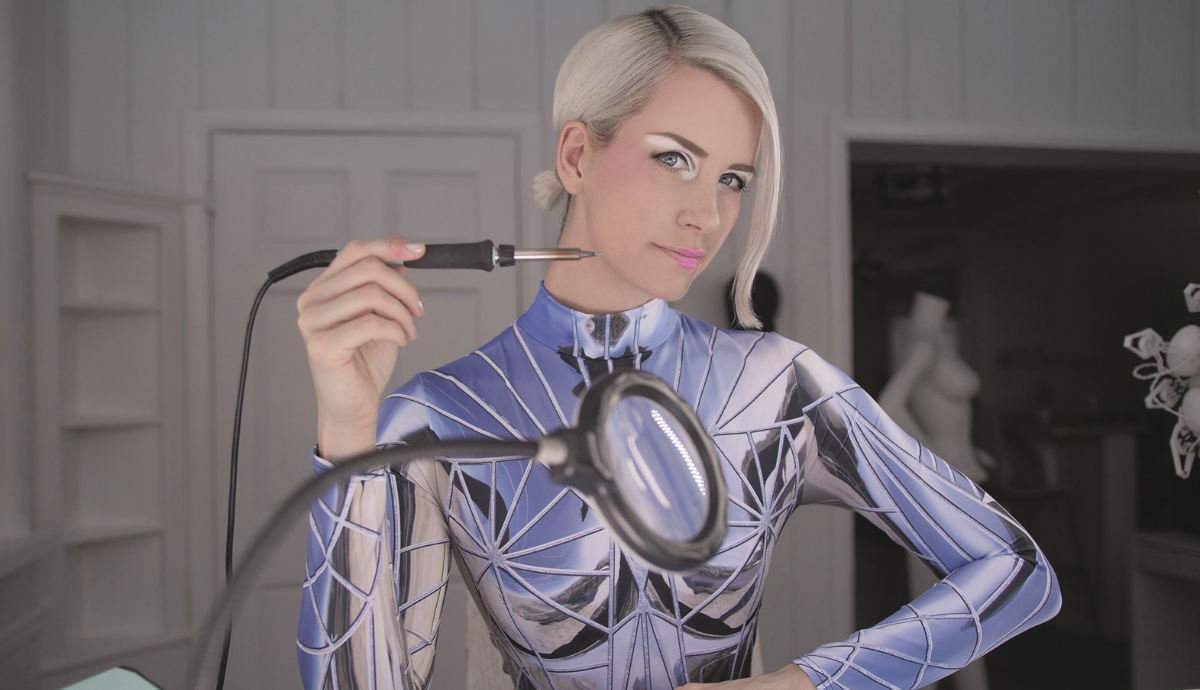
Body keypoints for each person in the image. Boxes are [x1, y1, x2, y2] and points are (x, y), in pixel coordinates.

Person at [295, 6, 1060, 689]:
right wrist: (346, 432)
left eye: (733, 178)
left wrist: (808, 684)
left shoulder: (778, 386)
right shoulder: (439, 416)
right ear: (576, 156)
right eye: (674, 159)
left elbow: (1019, 570)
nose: (708, 213)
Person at [878, 291, 998, 690]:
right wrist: (934, 460)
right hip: (940, 491)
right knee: (945, 610)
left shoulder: (940, 337)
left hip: (963, 485)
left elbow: (947, 414)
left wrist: (969, 453)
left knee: (965, 609)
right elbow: (889, 405)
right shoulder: (923, 343)